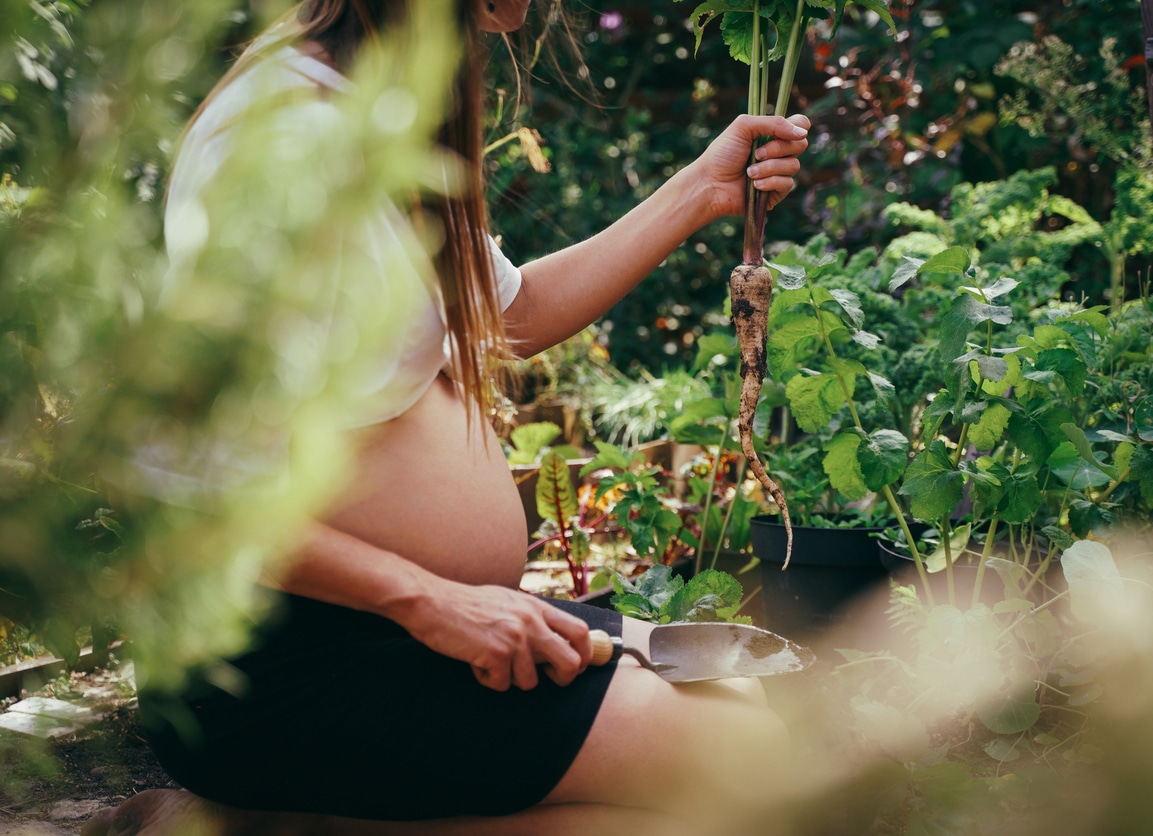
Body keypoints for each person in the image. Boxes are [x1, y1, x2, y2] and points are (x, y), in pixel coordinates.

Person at [85, 0, 810, 833]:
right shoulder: (287, 144)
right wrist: (427, 600)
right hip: (280, 666)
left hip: (387, 628)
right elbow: (191, 504)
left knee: (735, 692)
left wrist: (701, 191)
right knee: (742, 776)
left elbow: (517, 311)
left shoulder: (379, 108)